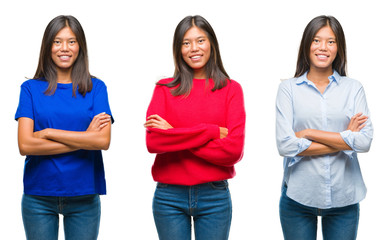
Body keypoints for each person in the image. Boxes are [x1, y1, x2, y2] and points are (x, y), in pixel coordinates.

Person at [144, 15, 245, 240]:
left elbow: (233, 151)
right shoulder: (164, 88)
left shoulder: (231, 89)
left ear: (212, 44)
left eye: (200, 41)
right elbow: (154, 142)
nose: (194, 48)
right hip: (169, 196)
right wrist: (210, 132)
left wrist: (174, 134)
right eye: (186, 43)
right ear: (178, 49)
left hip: (214, 197)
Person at [15, 15, 113, 240]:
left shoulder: (96, 88)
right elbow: (25, 144)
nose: (64, 48)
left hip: (84, 195)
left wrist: (49, 133)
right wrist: (85, 138)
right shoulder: (29, 89)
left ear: (80, 46)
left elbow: (102, 141)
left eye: (71, 41)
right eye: (57, 41)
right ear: (48, 46)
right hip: (39, 196)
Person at [276, 15, 373, 240]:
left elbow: (364, 142)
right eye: (317, 40)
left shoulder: (353, 88)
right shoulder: (288, 89)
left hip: (344, 198)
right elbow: (285, 144)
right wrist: (345, 139)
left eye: (331, 41)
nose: (323, 47)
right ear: (307, 45)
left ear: (339, 47)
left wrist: (308, 133)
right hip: (298, 198)